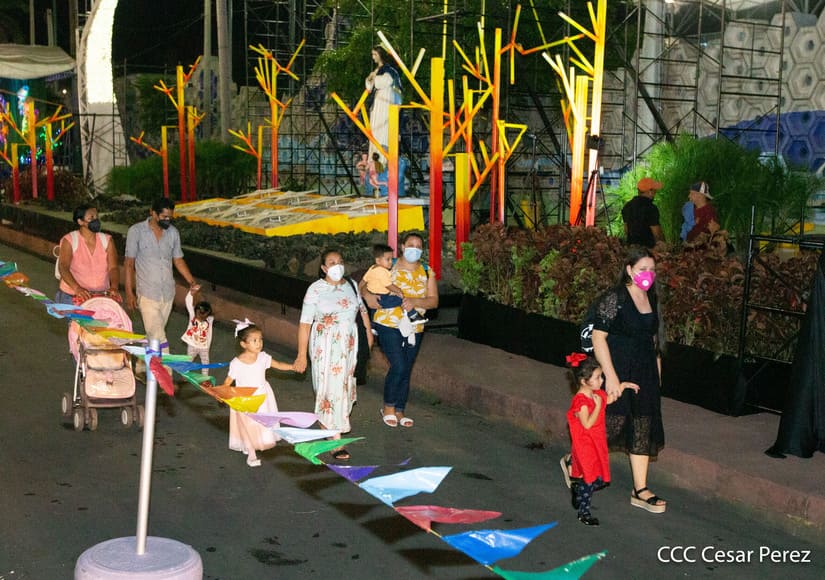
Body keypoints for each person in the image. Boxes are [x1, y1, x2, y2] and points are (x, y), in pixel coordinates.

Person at [590, 246, 667, 514]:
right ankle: (575, 461)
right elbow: (598, 337)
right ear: (629, 270)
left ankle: (640, 490)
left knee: (643, 425)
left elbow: (654, 339)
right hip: (619, 368)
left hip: (644, 371)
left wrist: (657, 375)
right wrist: (611, 377)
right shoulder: (616, 298)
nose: (648, 274)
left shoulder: (651, 297)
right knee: (609, 424)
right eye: (643, 269)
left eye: (652, 270)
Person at [294, 249, 373, 461]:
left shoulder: (351, 285)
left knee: (343, 387)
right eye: (331, 262)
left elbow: (362, 310)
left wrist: (368, 334)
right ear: (323, 268)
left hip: (349, 346)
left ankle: (330, 426)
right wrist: (301, 355)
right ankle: (334, 440)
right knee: (328, 389)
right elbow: (305, 324)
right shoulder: (315, 289)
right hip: (325, 345)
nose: (337, 265)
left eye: (340, 261)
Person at [361, 232, 438, 428]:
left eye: (418, 246)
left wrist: (414, 302)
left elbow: (433, 301)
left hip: (414, 325)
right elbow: (363, 285)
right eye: (411, 244)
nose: (414, 249)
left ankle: (399, 409)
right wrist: (368, 296)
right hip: (388, 322)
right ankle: (388, 406)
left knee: (406, 367)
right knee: (399, 365)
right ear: (402, 247)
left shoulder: (427, 271)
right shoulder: (388, 264)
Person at [564, 353, 639, 526]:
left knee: (602, 479)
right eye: (598, 377)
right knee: (590, 479)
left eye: (601, 376)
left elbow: (609, 399)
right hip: (585, 446)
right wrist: (597, 406)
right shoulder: (581, 402)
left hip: (597, 443)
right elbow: (587, 424)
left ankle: (579, 488)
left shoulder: (596, 394)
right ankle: (584, 513)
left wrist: (623, 386)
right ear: (584, 381)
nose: (602, 380)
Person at [124, 198, 199, 354]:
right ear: (153, 213)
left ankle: (144, 364)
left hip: (167, 293)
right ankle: (166, 367)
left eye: (170, 217)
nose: (168, 220)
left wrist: (191, 282)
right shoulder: (136, 232)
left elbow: (178, 260)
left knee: (153, 335)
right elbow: (129, 263)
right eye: (164, 217)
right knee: (159, 337)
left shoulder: (173, 233)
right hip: (147, 293)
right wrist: (129, 292)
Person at [222, 321, 295, 467]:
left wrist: (293, 367)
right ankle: (251, 453)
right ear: (243, 344)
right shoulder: (236, 363)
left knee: (261, 424)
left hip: (262, 396)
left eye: (260, 339)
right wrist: (222, 394)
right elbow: (228, 381)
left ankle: (255, 443)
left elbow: (279, 365)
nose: (259, 343)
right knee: (248, 425)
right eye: (254, 340)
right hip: (245, 399)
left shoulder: (263, 357)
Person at [55, 204, 120, 304]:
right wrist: (77, 288)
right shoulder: (70, 240)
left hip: (100, 295)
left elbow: (113, 267)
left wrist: (114, 287)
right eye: (91, 217)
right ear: (80, 221)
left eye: (97, 217)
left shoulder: (107, 240)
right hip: (72, 296)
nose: (96, 220)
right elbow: (63, 267)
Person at [362, 243, 426, 323]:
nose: (390, 262)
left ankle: (373, 325)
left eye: (391, 259)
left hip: (375, 295)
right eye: (388, 259)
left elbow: (364, 280)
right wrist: (398, 290)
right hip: (382, 297)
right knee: (400, 300)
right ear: (378, 260)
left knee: (374, 311)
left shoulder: (372, 268)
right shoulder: (382, 271)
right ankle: (413, 315)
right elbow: (389, 285)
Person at [365, 45, 402, 163]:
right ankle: (374, 160)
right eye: (372, 54)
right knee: (375, 128)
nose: (373, 57)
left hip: (385, 99)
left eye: (375, 54)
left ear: (381, 55)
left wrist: (375, 77)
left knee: (383, 128)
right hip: (378, 101)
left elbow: (387, 81)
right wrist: (370, 78)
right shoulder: (378, 70)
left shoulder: (389, 70)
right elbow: (370, 87)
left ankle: (382, 160)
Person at [622, 177, 663, 248]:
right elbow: (657, 234)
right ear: (650, 192)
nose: (655, 193)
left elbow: (626, 230)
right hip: (648, 250)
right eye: (654, 190)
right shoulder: (651, 208)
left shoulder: (627, 206)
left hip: (631, 248)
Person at [181, 290, 214, 376]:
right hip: (192, 344)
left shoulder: (209, 320)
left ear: (207, 315)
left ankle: (204, 378)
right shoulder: (193, 316)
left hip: (204, 347)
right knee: (189, 360)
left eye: (203, 315)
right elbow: (188, 303)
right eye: (199, 314)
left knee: (205, 362)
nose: (200, 317)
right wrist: (191, 293)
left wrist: (207, 345)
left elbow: (209, 334)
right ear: (195, 311)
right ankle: (185, 375)